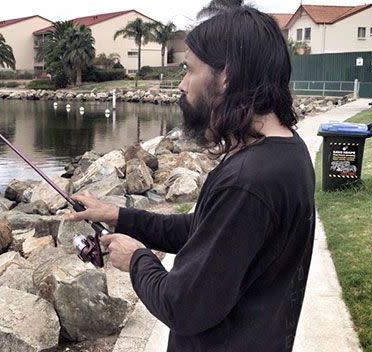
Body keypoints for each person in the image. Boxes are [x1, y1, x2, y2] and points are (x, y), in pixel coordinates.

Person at [69, 6, 315, 352]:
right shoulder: (287, 152)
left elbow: (183, 306)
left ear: (226, 75)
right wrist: (118, 216)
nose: (182, 85)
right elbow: (206, 231)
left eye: (189, 70)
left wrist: (138, 259)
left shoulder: (248, 182)